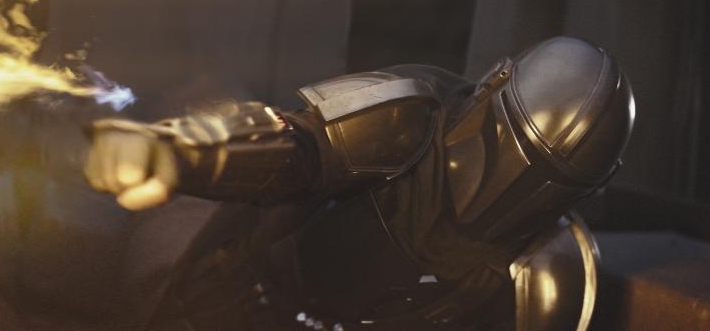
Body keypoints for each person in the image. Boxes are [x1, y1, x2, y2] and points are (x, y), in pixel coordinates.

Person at [84, 36, 636, 331]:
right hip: (237, 295)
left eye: (546, 176)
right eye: (511, 144)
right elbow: (297, 144)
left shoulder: (549, 272)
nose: (507, 182)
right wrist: (178, 151)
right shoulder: (408, 117)